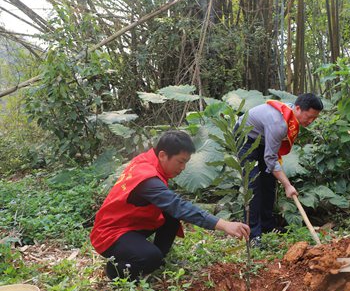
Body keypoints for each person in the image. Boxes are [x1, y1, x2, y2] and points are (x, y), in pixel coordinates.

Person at [90, 130, 250, 281]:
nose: (183, 168)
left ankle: (156, 258)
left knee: (171, 216)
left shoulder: (148, 160)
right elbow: (178, 205)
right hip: (110, 234)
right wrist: (223, 225)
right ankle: (115, 269)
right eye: (180, 162)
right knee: (150, 257)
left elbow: (174, 207)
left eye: (185, 162)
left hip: (130, 223)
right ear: (163, 155)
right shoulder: (147, 178)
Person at [238, 93, 323, 246]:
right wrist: (287, 185)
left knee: (269, 183)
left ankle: (267, 227)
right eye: (309, 117)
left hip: (262, 139)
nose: (310, 122)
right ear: (298, 108)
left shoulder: (291, 115)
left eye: (314, 119)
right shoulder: (279, 124)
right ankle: (253, 235)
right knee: (253, 185)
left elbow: (271, 157)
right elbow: (270, 158)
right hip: (245, 138)